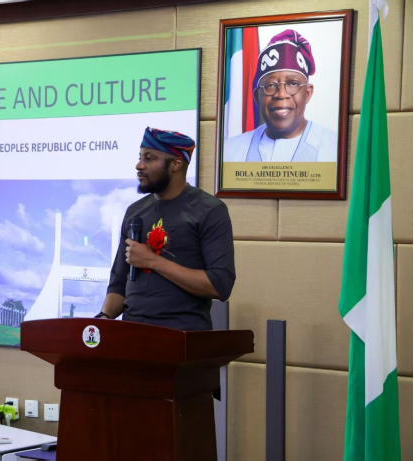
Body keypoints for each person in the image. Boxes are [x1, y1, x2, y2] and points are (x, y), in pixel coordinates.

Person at [95, 127, 235, 331]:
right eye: (140, 157)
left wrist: (152, 261)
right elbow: (118, 284)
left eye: (149, 159)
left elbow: (220, 284)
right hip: (131, 336)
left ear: (176, 164)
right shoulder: (135, 211)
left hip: (183, 338)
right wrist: (104, 317)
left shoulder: (209, 210)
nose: (139, 165)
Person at [224, 29, 338, 162]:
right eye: (271, 85)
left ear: (307, 93)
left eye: (293, 83)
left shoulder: (335, 148)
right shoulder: (230, 151)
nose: (281, 94)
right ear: (257, 97)